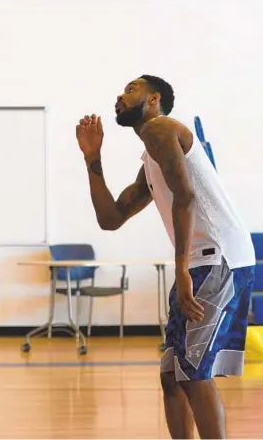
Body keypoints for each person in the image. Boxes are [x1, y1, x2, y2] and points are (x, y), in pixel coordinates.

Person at [76, 75, 255, 439]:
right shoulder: (151, 157)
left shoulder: (160, 128)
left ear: (154, 99)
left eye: (131, 89)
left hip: (217, 257)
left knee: (191, 372)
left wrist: (182, 271)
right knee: (172, 376)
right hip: (199, 260)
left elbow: (186, 196)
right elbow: (110, 219)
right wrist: (92, 159)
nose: (120, 95)